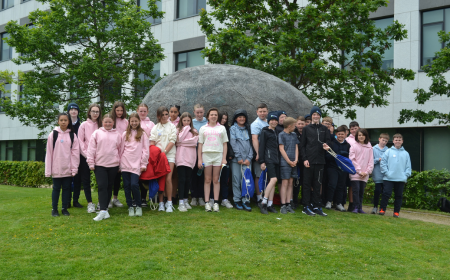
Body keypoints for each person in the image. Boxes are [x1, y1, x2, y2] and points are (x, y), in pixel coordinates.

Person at [87, 113, 123, 221]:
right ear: (102, 122)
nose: (108, 124)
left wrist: (120, 165)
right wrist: (91, 163)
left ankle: (105, 209)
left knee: (109, 187)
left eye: (110, 122)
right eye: (106, 122)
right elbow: (91, 149)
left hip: (113, 165)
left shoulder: (118, 135)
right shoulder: (97, 133)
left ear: (113, 123)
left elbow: (120, 151)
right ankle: (102, 210)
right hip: (100, 165)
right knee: (102, 186)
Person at [45, 113, 80, 217]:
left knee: (66, 189)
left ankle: (65, 208)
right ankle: (54, 209)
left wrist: (74, 168)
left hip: (67, 169)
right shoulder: (53, 135)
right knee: (56, 189)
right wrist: (48, 170)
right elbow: (49, 153)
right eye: (61, 120)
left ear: (68, 122)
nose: (63, 122)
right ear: (58, 122)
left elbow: (75, 154)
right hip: (56, 169)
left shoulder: (72, 135)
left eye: (65, 120)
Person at [300, 105, 331, 216]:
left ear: (320, 116)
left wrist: (327, 146)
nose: (316, 116)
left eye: (318, 114)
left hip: (320, 161)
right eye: (314, 114)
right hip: (309, 161)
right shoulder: (306, 129)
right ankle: (306, 206)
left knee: (318, 184)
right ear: (311, 116)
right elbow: (302, 146)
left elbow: (329, 142)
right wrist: (304, 159)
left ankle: (316, 206)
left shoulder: (324, 129)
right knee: (307, 184)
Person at [198, 107, 229, 212]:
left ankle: (216, 203)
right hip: (206, 155)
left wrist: (224, 158)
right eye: (212, 114)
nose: (214, 116)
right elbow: (200, 145)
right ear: (208, 116)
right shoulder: (203, 128)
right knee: (207, 180)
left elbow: (225, 144)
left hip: (218, 155)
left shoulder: (222, 128)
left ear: (217, 117)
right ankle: (207, 203)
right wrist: (199, 159)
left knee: (216, 180)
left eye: (215, 115)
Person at [120, 113, 149, 217]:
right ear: (129, 122)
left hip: (136, 164)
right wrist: (120, 164)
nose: (134, 123)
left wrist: (143, 163)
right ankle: (130, 206)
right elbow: (121, 150)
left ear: (139, 121)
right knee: (127, 186)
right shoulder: (125, 134)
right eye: (132, 121)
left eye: (136, 121)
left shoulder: (143, 134)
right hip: (125, 163)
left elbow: (146, 150)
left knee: (134, 185)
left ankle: (138, 206)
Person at [150, 106, 177, 212]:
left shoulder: (172, 126)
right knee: (160, 179)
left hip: (169, 155)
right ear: (159, 116)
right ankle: (161, 203)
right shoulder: (155, 127)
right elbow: (152, 142)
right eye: (163, 114)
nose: (165, 116)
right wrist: (157, 154)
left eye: (167, 114)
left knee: (168, 179)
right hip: (158, 156)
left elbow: (172, 140)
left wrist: (164, 152)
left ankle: (169, 203)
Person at [379, 133, 411, 218]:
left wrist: (405, 176)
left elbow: (408, 167)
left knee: (399, 196)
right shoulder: (388, 151)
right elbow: (383, 163)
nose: (397, 141)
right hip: (388, 178)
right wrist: (387, 173)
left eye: (399, 140)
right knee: (386, 194)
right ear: (393, 141)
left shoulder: (406, 153)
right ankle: (382, 209)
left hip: (400, 179)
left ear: (402, 141)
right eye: (396, 140)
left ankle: (396, 212)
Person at [78, 104, 102, 213]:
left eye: (97, 112)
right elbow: (80, 141)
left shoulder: (101, 124)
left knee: (100, 181)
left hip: (99, 157)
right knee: (86, 180)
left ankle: (101, 203)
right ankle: (90, 203)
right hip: (85, 157)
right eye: (93, 111)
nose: (95, 114)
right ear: (89, 112)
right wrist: (88, 156)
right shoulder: (83, 125)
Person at [229, 109, 254, 211]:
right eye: (239, 117)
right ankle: (237, 200)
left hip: (248, 160)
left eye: (243, 117)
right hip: (237, 160)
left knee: (246, 180)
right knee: (236, 180)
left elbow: (252, 144)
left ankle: (246, 200)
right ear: (236, 118)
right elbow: (233, 143)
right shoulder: (233, 129)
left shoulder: (249, 128)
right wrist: (239, 157)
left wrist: (249, 158)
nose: (241, 119)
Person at [209, 111, 234, 209]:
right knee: (212, 179)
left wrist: (229, 155)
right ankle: (212, 198)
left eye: (225, 119)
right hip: (214, 157)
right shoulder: (215, 129)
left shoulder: (227, 129)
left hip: (226, 158)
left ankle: (224, 199)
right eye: (222, 118)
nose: (223, 120)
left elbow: (228, 144)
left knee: (224, 179)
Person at [175, 112, 199, 212]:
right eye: (184, 120)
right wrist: (185, 129)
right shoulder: (178, 130)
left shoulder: (194, 131)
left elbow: (194, 142)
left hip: (190, 158)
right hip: (180, 158)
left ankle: (185, 200)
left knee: (188, 179)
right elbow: (178, 140)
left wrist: (182, 142)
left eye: (188, 121)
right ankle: (180, 202)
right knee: (182, 179)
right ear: (181, 121)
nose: (186, 122)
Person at [258, 112, 280, 214]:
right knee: (273, 179)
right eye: (272, 120)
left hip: (276, 160)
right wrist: (262, 161)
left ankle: (270, 204)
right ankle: (264, 202)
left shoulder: (277, 131)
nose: (274, 122)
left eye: (275, 120)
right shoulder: (265, 131)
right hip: (268, 159)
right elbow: (261, 146)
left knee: (273, 181)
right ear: (268, 121)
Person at [324, 125, 350, 212]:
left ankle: (339, 203)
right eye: (339, 134)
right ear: (336, 134)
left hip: (342, 169)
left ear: (345, 135)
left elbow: (349, 158)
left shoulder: (348, 145)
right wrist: (337, 155)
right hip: (332, 167)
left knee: (341, 186)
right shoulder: (331, 144)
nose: (340, 136)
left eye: (342, 134)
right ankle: (328, 201)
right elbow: (327, 156)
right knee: (332, 184)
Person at [349, 128, 374, 214]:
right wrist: (359, 171)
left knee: (361, 191)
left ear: (366, 136)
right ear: (357, 136)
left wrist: (366, 172)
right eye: (359, 135)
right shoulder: (353, 146)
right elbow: (352, 159)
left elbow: (371, 161)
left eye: (363, 135)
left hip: (365, 174)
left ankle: (360, 208)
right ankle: (355, 207)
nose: (361, 137)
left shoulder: (369, 147)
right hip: (355, 173)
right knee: (356, 190)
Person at [278, 117, 299, 214]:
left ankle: (288, 204)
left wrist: (296, 159)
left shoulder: (294, 135)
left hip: (293, 162)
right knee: (285, 183)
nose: (295, 127)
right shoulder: (281, 135)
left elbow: (296, 147)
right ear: (289, 126)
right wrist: (289, 161)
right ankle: (283, 205)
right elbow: (281, 149)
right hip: (285, 163)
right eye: (294, 126)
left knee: (291, 183)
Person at [109, 101, 128, 208]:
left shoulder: (126, 122)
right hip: (112, 151)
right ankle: (107, 199)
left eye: (121, 110)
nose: (119, 112)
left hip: (123, 152)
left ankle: (115, 198)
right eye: (117, 110)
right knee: (110, 177)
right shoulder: (111, 121)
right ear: (114, 110)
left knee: (117, 177)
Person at [137, 103, 155, 207]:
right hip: (136, 152)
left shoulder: (151, 124)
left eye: (144, 111)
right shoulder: (135, 122)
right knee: (136, 176)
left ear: (147, 112)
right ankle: (136, 197)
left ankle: (144, 198)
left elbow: (153, 137)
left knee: (144, 175)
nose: (142, 113)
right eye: (141, 111)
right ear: (137, 111)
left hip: (147, 152)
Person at [250, 103, 269, 203]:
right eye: (260, 111)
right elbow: (254, 139)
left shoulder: (270, 122)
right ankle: (259, 197)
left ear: (267, 112)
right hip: (260, 154)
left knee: (268, 176)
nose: (262, 113)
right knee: (259, 175)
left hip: (269, 153)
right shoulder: (255, 124)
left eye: (264, 111)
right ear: (257, 112)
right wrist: (258, 154)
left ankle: (267, 196)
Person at [191, 104, 208, 206]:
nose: (199, 114)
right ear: (194, 112)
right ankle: (193, 197)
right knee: (193, 175)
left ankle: (201, 196)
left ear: (204, 112)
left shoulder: (207, 122)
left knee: (202, 175)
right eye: (197, 112)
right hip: (193, 151)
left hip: (205, 151)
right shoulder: (191, 123)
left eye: (201, 112)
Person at [66, 103, 82, 209]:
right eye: (71, 110)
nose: (73, 111)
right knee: (67, 179)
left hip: (79, 154)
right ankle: (67, 201)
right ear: (68, 112)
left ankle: (75, 200)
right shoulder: (65, 124)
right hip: (67, 155)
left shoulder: (82, 125)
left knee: (77, 179)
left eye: (75, 109)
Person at [371, 133, 389, 214]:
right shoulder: (373, 149)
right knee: (377, 190)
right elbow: (370, 160)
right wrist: (378, 159)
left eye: (386, 141)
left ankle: (382, 208)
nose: (384, 142)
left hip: (385, 174)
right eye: (383, 140)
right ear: (379, 139)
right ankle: (375, 207)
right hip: (377, 172)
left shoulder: (388, 150)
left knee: (384, 192)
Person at [292, 116, 306, 209]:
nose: (300, 125)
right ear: (296, 124)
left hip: (304, 161)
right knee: (295, 182)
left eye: (302, 124)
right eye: (299, 124)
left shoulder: (307, 133)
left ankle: (304, 201)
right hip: (296, 161)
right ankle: (294, 201)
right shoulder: (293, 134)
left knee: (305, 182)